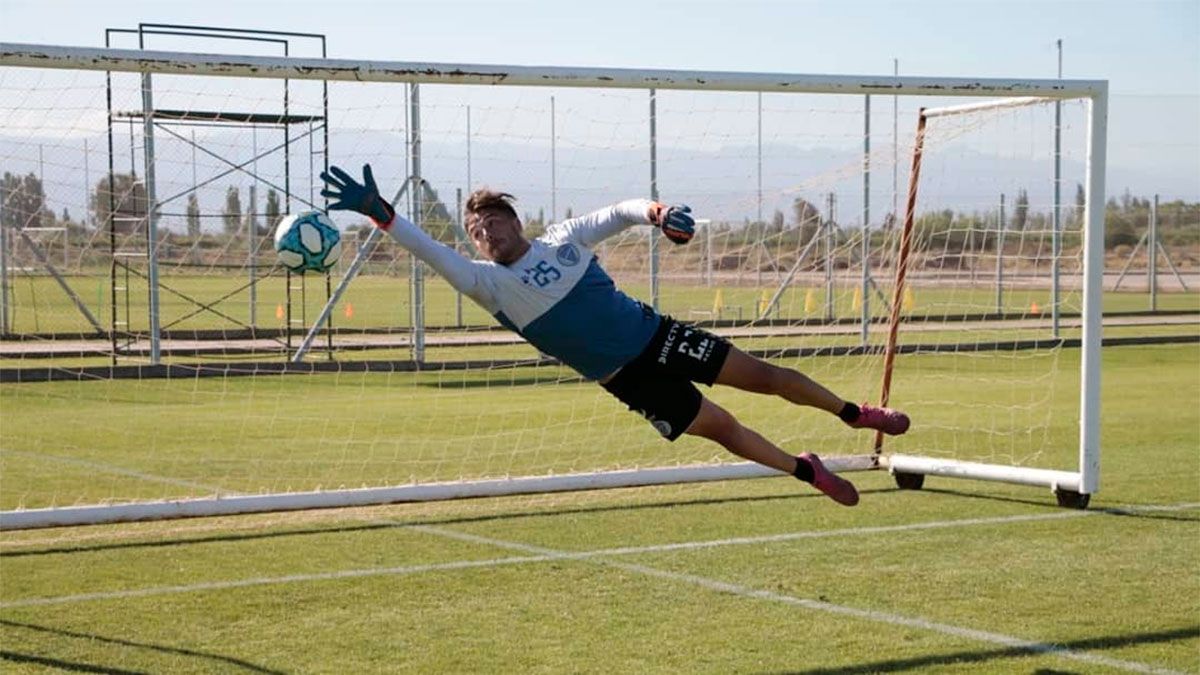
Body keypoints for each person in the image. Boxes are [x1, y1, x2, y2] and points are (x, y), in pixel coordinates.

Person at [320, 165, 910, 507]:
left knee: (766, 378)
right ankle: (807, 470)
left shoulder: (562, 238)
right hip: (626, 378)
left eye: (491, 220)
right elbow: (429, 250)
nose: (483, 232)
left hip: (657, 336)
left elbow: (622, 211)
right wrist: (383, 214)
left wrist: (658, 212)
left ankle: (853, 413)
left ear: (514, 220)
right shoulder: (486, 285)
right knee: (725, 430)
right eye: (474, 229)